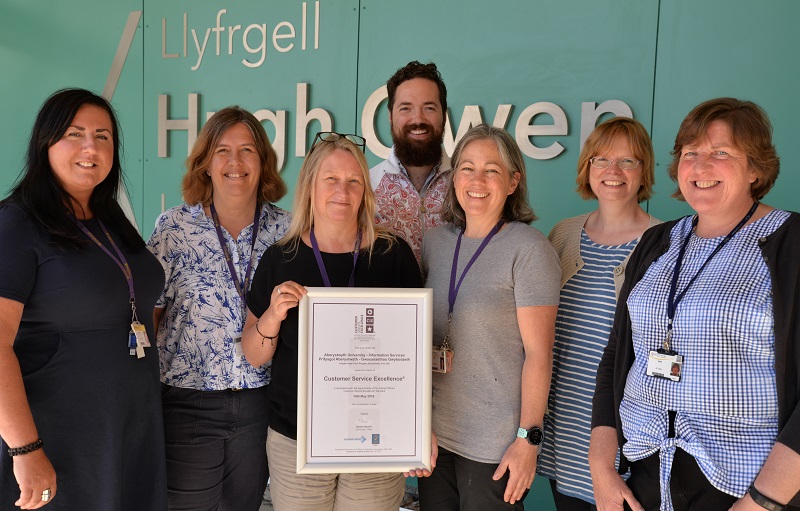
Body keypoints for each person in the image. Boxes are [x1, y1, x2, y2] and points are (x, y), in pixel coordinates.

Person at [589, 98, 800, 511]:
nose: (701, 167)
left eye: (721, 153)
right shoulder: (658, 241)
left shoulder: (790, 243)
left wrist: (764, 502)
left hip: (742, 488)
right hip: (643, 477)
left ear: (756, 168)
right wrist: (601, 469)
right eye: (691, 153)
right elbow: (617, 354)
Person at [0, 88, 167, 510]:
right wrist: (25, 450)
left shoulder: (110, 220)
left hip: (126, 433)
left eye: (103, 136)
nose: (91, 147)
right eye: (75, 134)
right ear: (46, 143)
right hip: (57, 440)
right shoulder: (18, 224)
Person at [241, 132, 422, 511]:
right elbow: (254, 355)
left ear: (365, 190)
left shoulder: (393, 255)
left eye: (354, 180)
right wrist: (273, 316)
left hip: (376, 439)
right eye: (331, 179)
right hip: (297, 440)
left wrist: (415, 431)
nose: (343, 190)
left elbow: (414, 358)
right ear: (310, 186)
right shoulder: (280, 259)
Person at [147, 106, 290, 510]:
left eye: (247, 150)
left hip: (261, 404)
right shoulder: (174, 229)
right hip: (187, 402)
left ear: (263, 163)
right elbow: (149, 316)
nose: (235, 162)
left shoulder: (288, 231)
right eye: (222, 150)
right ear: (205, 162)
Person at [418, 124, 560, 510]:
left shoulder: (529, 249)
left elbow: (539, 355)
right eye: (467, 167)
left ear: (513, 181)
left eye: (491, 170)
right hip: (433, 438)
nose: (477, 180)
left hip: (494, 446)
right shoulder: (435, 243)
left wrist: (528, 441)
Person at [538, 117, 660, 511]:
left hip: (620, 435)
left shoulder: (664, 242)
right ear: (587, 167)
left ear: (644, 172)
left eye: (628, 161)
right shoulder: (563, 233)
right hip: (565, 425)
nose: (613, 171)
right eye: (601, 159)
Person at [370, 60, 452, 263]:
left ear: (444, 115)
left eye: (429, 108)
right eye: (406, 108)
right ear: (390, 116)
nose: (418, 119)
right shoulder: (365, 187)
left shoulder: (467, 186)